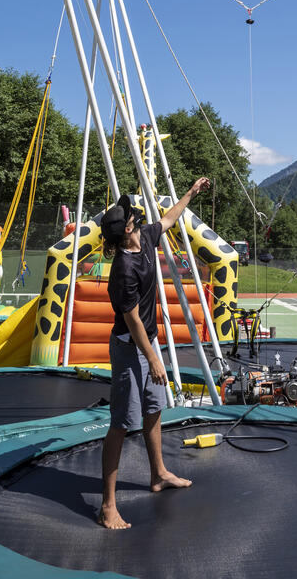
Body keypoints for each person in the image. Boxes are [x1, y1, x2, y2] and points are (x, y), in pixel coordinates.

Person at [99, 176, 210, 530]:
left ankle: (158, 474)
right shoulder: (123, 269)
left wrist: (190, 193)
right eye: (131, 214)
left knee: (153, 409)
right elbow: (131, 321)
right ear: (126, 228)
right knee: (121, 423)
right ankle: (107, 506)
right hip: (130, 348)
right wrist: (152, 358)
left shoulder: (145, 236)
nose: (136, 213)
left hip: (148, 342)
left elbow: (169, 219)